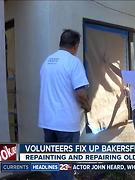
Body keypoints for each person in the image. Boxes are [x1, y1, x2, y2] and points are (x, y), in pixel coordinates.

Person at [38, 29, 90, 180]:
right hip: (66, 124)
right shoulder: (73, 62)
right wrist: (87, 106)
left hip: (47, 122)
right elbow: (81, 93)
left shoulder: (47, 62)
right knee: (66, 166)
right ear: (75, 45)